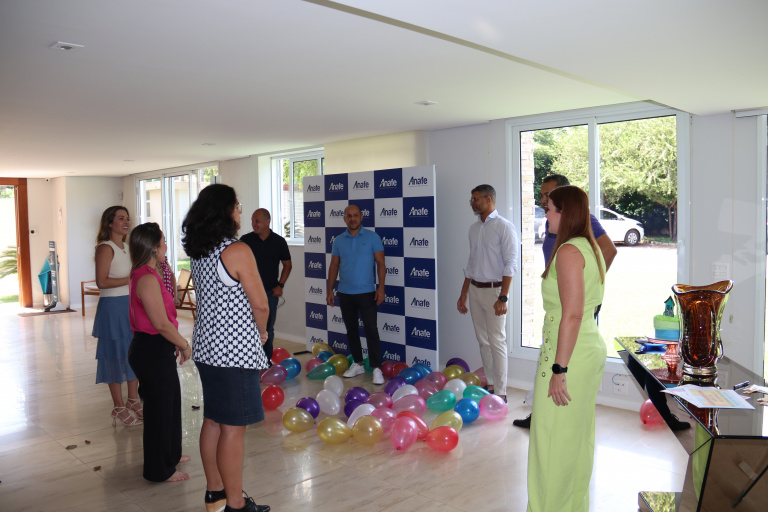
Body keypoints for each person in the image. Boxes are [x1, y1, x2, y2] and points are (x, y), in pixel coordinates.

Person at [182, 185, 271, 512]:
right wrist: (261, 332)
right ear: (225, 211)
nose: (240, 211)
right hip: (234, 351)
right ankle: (236, 504)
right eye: (236, 206)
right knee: (233, 428)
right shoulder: (237, 250)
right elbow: (260, 304)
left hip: (207, 347)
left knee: (213, 420)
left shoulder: (200, 249)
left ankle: (215, 493)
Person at [514, 173, 617, 428]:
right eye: (542, 195)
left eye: (548, 196)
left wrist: (584, 288)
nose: (543, 201)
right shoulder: (562, 233)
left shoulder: (577, 232)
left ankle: (544, 412)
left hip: (570, 312)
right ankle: (540, 411)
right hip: (562, 312)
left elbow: (609, 250)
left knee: (559, 414)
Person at [526, 185, 606, 512]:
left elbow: (571, 314)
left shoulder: (570, 251)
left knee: (552, 443)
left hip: (569, 354)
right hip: (585, 346)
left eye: (549, 209)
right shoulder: (590, 247)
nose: (545, 215)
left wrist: (559, 370)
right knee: (575, 439)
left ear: (565, 212)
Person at [127, 223, 193, 482]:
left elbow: (165, 319)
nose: (166, 246)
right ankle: (159, 470)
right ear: (154, 248)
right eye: (163, 241)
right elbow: (160, 323)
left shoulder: (150, 273)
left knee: (170, 405)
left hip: (159, 346)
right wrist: (184, 343)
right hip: (150, 349)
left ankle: (171, 455)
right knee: (159, 413)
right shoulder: (145, 277)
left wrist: (173, 341)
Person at [457, 184, 518, 402]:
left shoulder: (504, 227)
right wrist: (464, 293)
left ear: (489, 199)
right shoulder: (474, 229)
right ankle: (490, 384)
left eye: (476, 199)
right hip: (475, 290)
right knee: (483, 341)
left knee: (497, 341)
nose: (472, 203)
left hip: (495, 292)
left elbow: (511, 263)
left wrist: (503, 297)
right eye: (471, 200)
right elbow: (471, 263)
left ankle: (501, 392)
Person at [92, 205, 142, 427]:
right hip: (112, 308)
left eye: (127, 218)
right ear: (109, 222)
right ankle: (118, 406)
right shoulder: (105, 247)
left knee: (133, 353)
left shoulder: (128, 247)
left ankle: (133, 399)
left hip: (130, 305)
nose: (126, 222)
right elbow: (102, 282)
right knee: (115, 356)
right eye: (121, 218)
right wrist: (131, 279)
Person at [326, 204, 386, 385]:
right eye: (349, 216)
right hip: (345, 293)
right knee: (351, 330)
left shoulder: (372, 237)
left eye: (355, 215)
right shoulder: (338, 240)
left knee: (371, 330)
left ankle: (376, 368)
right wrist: (329, 290)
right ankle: (358, 363)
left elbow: (381, 264)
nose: (352, 219)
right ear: (345, 218)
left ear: (361, 217)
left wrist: (381, 288)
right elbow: (334, 266)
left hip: (367, 292)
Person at [240, 208, 292, 363]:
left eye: (257, 221)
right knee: (247, 328)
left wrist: (280, 285)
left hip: (270, 293)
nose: (253, 224)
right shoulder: (245, 240)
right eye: (252, 221)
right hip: (247, 293)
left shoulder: (279, 241)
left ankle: (265, 361)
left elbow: (287, 265)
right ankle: (249, 360)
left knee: (267, 328)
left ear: (267, 221)